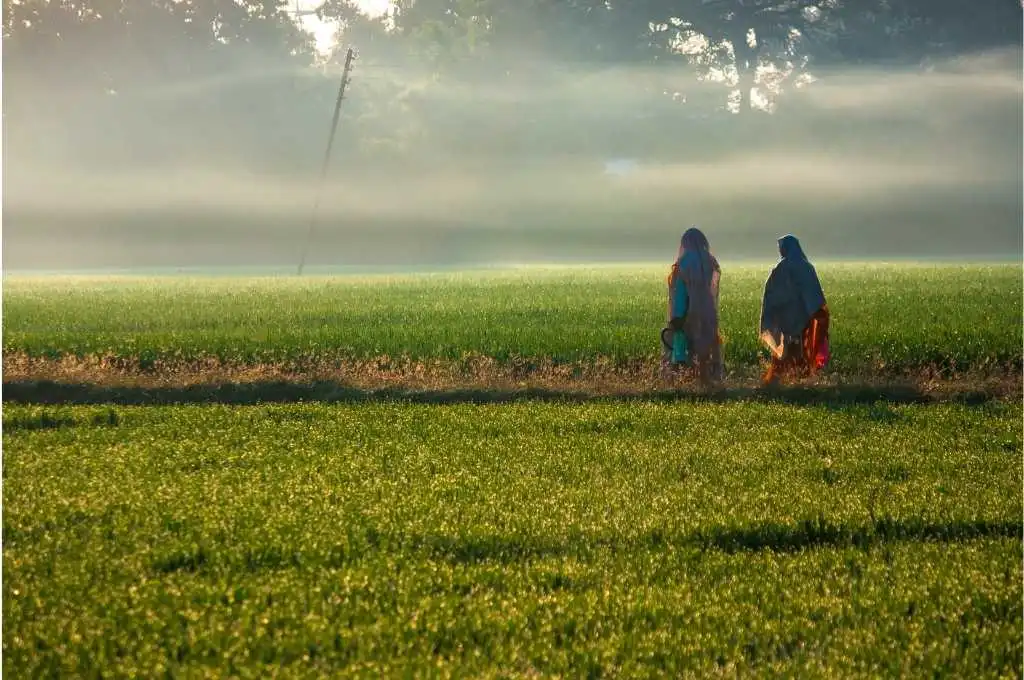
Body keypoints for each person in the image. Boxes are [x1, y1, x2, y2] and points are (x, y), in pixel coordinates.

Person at [759, 234, 830, 384]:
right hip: (804, 316)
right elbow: (813, 293)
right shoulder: (806, 267)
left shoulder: (780, 268)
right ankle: (798, 380)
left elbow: (771, 295)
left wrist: (774, 314)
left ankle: (783, 381)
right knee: (801, 350)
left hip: (785, 318)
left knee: (786, 352)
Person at [663, 226, 724, 383]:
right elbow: (712, 290)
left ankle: (684, 384)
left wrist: (677, 316)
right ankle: (705, 381)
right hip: (707, 313)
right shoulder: (710, 262)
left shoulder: (683, 263)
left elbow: (680, 293)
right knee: (704, 351)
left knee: (683, 349)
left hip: (687, 314)